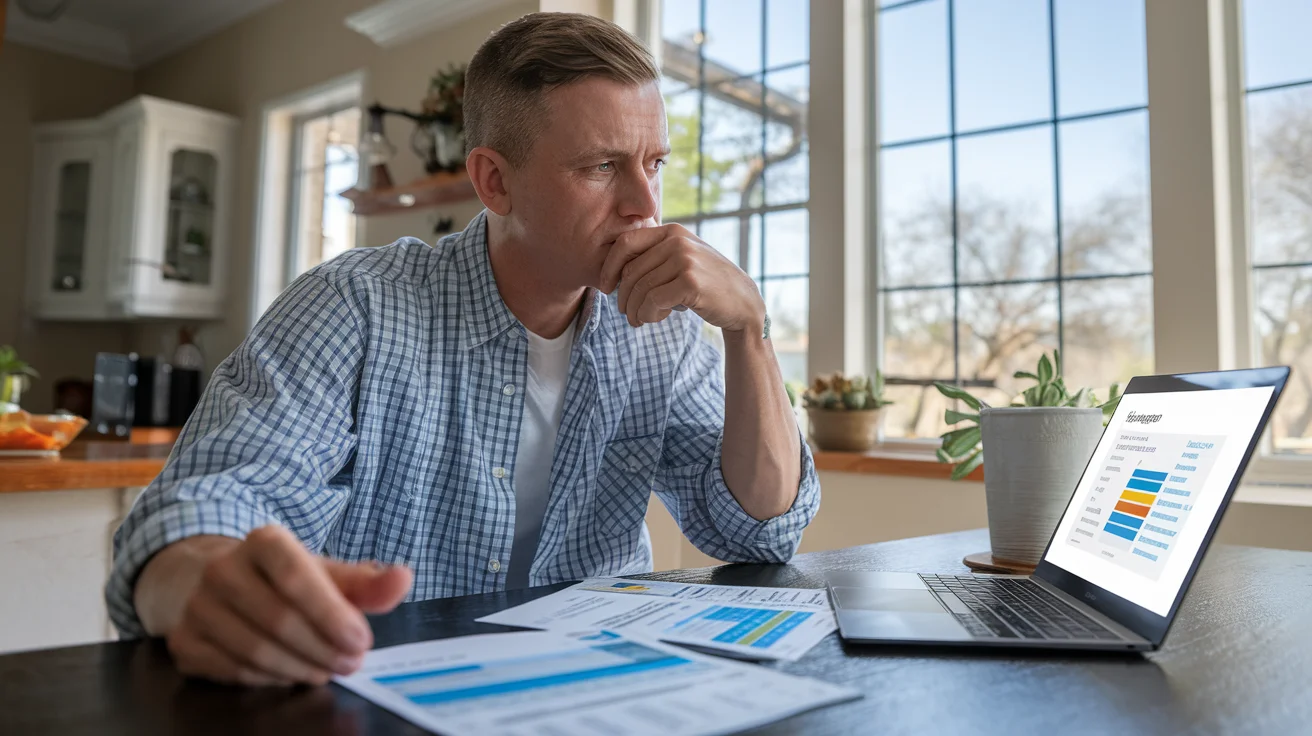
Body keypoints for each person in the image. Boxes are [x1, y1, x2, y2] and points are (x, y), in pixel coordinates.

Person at [106, 11, 820, 687]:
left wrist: (748, 330)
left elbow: (757, 529)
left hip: (588, 689)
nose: (645, 205)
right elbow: (209, 502)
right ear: (494, 181)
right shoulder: (356, 305)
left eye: (653, 163)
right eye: (602, 167)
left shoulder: (661, 328)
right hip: (375, 687)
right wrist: (193, 577)